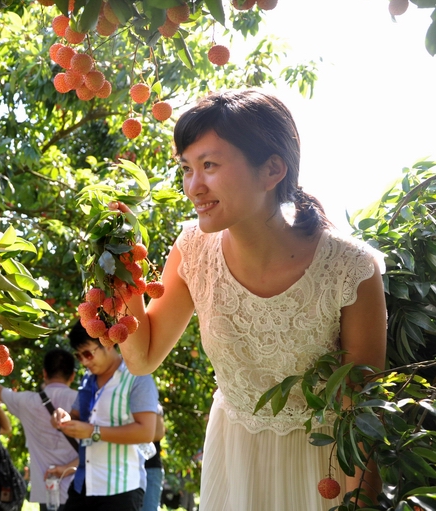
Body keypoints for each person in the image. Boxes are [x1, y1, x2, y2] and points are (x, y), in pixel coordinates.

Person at [117, 89, 387, 510]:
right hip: (233, 457)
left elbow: (361, 413)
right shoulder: (192, 250)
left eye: (209, 165)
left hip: (322, 469)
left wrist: (358, 505)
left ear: (272, 169)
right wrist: (118, 270)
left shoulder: (351, 269)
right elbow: (142, 356)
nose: (194, 186)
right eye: (187, 169)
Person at [52, 322, 159, 511]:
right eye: (79, 356)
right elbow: (77, 416)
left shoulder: (137, 377)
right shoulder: (87, 379)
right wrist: (63, 418)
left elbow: (146, 432)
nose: (84, 362)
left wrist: (94, 432)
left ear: (108, 343)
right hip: (84, 483)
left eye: (88, 354)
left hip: (121, 489)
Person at [0, 348, 79, 511]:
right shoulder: (83, 401)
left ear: (45, 373)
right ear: (73, 375)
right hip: (82, 490)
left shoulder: (27, 402)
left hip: (47, 493)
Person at [141, 406, 165, 511]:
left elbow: (159, 433)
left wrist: (131, 434)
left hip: (150, 468)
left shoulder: (153, 403)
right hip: (126, 468)